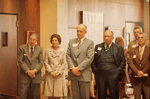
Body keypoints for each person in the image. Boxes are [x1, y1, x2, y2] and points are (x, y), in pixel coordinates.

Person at [91, 30, 126, 99]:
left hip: (113, 75)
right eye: (105, 36)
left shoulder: (118, 48)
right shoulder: (98, 47)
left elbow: (123, 62)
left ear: (112, 38)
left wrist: (117, 71)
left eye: (108, 36)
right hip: (100, 75)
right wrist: (95, 70)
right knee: (101, 95)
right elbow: (93, 60)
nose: (106, 38)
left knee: (114, 94)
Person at [66, 24, 94, 99]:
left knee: (85, 96)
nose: (78, 33)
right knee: (75, 96)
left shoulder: (90, 43)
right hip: (73, 75)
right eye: (77, 31)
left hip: (84, 74)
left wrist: (78, 69)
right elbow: (68, 55)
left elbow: (89, 58)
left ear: (85, 32)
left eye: (81, 31)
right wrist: (72, 68)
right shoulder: (71, 42)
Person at [18, 33, 43, 99]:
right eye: (31, 39)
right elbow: (20, 61)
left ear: (36, 40)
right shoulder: (22, 48)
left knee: (34, 96)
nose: (32, 41)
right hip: (25, 75)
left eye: (34, 40)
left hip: (36, 75)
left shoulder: (40, 49)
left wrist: (34, 71)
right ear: (28, 39)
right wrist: (28, 71)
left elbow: (41, 62)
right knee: (22, 95)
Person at [43, 34, 67, 99]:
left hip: (59, 75)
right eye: (53, 40)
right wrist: (51, 71)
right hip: (50, 74)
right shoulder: (48, 50)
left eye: (56, 40)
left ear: (59, 41)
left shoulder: (62, 51)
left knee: (58, 94)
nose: (54, 42)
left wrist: (58, 72)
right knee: (50, 94)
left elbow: (64, 63)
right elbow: (45, 62)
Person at [128, 32, 150, 99]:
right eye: (138, 38)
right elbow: (130, 62)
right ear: (137, 40)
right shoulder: (132, 50)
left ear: (146, 39)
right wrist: (137, 71)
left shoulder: (149, 50)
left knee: (147, 96)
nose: (140, 39)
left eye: (142, 37)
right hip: (136, 78)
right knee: (137, 97)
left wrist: (142, 72)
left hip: (147, 78)